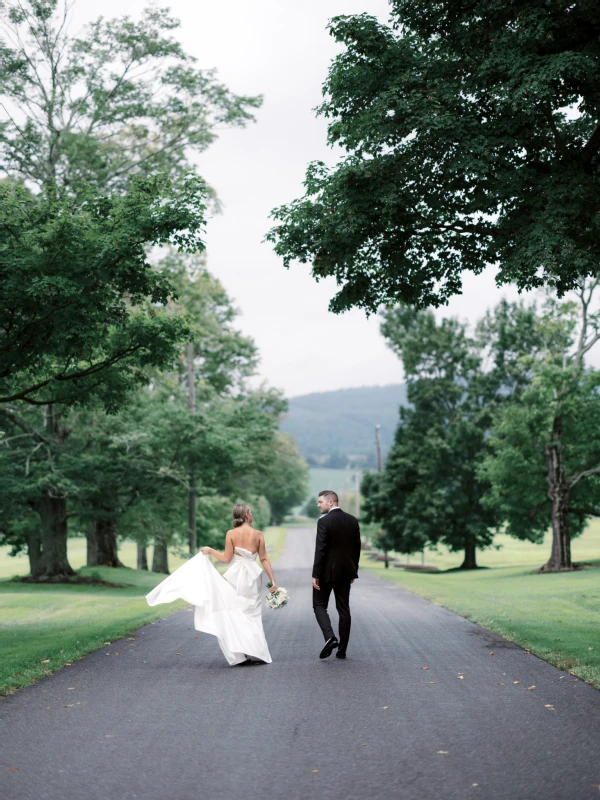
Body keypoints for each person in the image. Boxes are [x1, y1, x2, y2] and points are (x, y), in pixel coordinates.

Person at [146, 503, 277, 666]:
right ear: (245, 516)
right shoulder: (258, 534)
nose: (252, 515)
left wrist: (210, 550)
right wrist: (273, 580)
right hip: (252, 578)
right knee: (252, 614)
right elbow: (263, 559)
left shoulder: (231, 533)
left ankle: (241, 653)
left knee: (235, 611)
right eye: (250, 512)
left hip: (235, 577)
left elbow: (226, 559)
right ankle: (257, 650)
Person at [312, 490, 361, 660]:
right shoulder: (353, 521)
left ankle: (330, 637)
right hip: (345, 573)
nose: (318, 505)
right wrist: (353, 569)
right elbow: (357, 548)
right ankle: (342, 650)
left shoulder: (324, 522)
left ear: (330, 502)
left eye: (320, 502)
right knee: (344, 609)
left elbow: (321, 549)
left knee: (319, 605)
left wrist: (315, 574)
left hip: (325, 573)